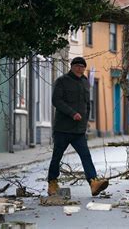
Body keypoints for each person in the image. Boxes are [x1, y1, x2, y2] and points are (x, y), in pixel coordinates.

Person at [47, 57, 108, 196]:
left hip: (78, 131)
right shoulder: (62, 81)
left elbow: (87, 104)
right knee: (57, 156)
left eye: (82, 66)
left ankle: (93, 182)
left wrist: (85, 121)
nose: (80, 68)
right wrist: (72, 113)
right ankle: (52, 183)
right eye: (77, 66)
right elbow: (56, 100)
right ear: (72, 66)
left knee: (86, 156)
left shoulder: (85, 82)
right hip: (62, 128)